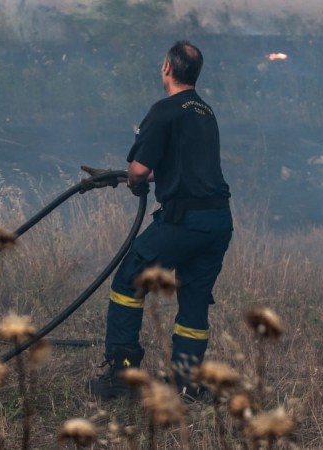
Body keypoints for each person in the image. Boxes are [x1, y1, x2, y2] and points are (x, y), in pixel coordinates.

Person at [88, 41, 233, 401]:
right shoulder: (205, 111)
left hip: (183, 222)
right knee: (194, 298)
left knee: (128, 280)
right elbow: (181, 170)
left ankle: (122, 377)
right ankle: (188, 384)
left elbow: (140, 170)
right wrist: (126, 176)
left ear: (166, 68)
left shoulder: (164, 110)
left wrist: (134, 179)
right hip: (217, 222)